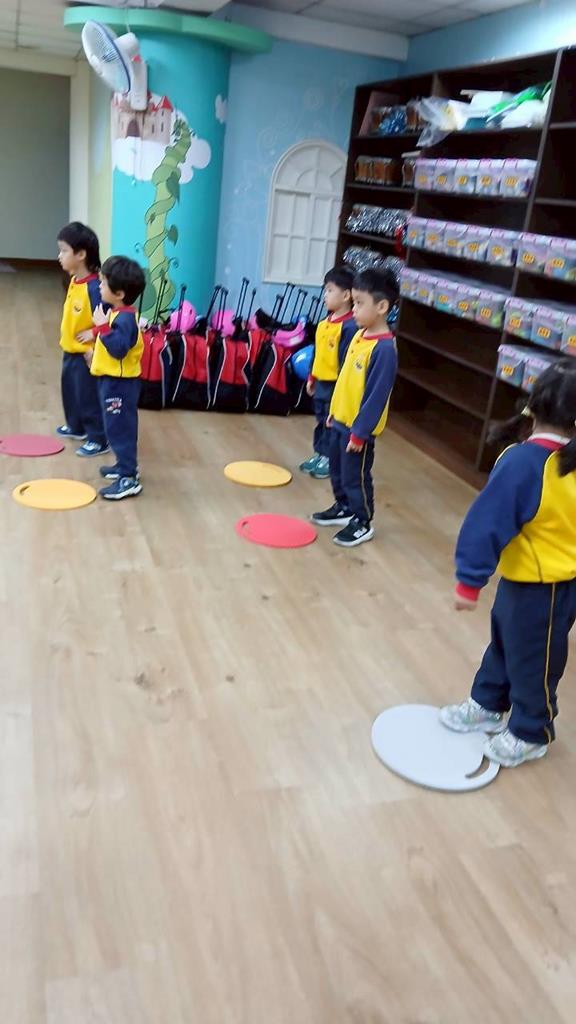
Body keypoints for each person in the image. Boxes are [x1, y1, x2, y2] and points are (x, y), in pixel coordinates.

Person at [441, 359, 576, 768]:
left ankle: (532, 731)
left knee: (534, 659)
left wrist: (469, 581)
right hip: (526, 579)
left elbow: (485, 524)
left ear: (532, 405)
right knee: (506, 642)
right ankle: (488, 702)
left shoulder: (521, 462)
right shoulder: (532, 462)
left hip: (549, 588)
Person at [311, 266, 398, 547]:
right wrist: (334, 412)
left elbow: (375, 397)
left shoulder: (384, 349)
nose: (354, 309)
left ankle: (362, 520)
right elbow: (345, 379)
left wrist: (360, 433)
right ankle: (344, 507)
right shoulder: (360, 335)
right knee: (337, 470)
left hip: (357, 431)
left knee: (355, 477)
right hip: (340, 421)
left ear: (382, 307)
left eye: (360, 303)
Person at [84, 256, 146, 501]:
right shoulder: (119, 313)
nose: (99, 286)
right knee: (115, 426)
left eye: (103, 283)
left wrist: (102, 327)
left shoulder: (125, 319)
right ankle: (124, 466)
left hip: (119, 385)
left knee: (119, 428)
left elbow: (118, 348)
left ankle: (129, 478)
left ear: (119, 293)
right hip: (112, 381)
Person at [56, 222, 109, 457]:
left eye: (64, 251)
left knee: (88, 397)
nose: (59, 256)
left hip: (86, 354)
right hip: (70, 349)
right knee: (70, 392)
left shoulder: (95, 288)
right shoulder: (74, 281)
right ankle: (76, 427)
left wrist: (94, 334)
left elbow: (108, 318)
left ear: (81, 255)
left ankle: (98, 439)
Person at [299, 266, 356, 480]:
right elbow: (317, 353)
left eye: (330, 290)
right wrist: (311, 377)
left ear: (346, 295)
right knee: (321, 420)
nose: (325, 295)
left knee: (333, 423)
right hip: (321, 383)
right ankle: (320, 453)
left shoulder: (350, 327)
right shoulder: (324, 324)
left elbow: (346, 362)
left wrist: (342, 390)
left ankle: (331, 458)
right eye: (325, 290)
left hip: (336, 386)